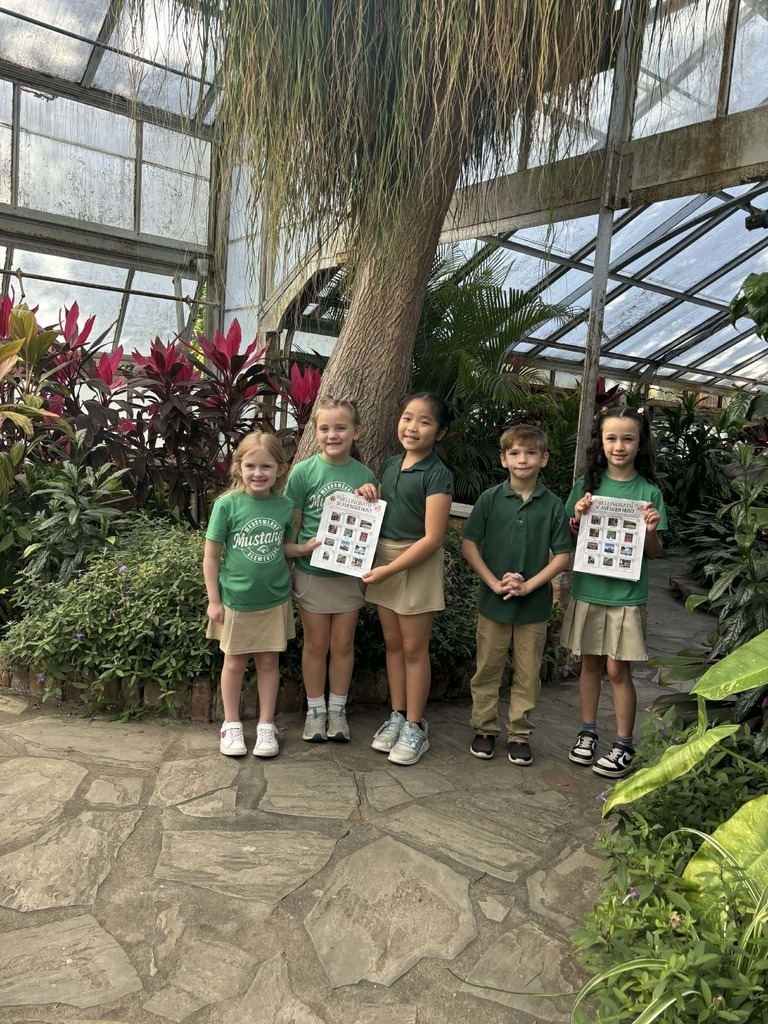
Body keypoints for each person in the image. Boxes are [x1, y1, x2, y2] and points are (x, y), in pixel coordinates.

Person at [562, 405, 666, 779]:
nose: (619, 446)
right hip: (590, 590)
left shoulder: (649, 492)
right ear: (600, 442)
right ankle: (587, 732)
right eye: (611, 438)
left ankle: (624, 743)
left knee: (617, 669)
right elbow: (572, 535)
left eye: (627, 439)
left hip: (626, 597)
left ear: (640, 444)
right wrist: (578, 516)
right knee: (590, 664)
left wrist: (651, 529)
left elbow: (654, 552)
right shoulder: (586, 486)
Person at [462, 425, 572, 765]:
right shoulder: (490, 499)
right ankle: (484, 729)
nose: (522, 459)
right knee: (488, 669)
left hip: (534, 607)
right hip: (492, 603)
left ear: (544, 459)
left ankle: (520, 733)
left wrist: (528, 585)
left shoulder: (552, 505)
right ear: (503, 459)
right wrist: (494, 582)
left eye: (530, 453)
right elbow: (469, 544)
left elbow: (563, 556)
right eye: (514, 453)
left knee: (528, 674)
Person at [204, 432, 319, 758]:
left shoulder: (283, 506)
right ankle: (231, 725)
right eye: (251, 465)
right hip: (236, 602)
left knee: (269, 662)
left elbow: (280, 546)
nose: (258, 473)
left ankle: (266, 726)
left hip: (274, 600)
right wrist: (214, 600)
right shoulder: (226, 505)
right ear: (238, 467)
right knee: (235, 663)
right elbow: (211, 556)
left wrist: (303, 548)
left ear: (281, 468)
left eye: (266, 466)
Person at [363, 394, 454, 766]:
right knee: (394, 644)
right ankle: (397, 715)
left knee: (415, 649)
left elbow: (433, 538)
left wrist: (388, 569)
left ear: (441, 432)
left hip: (414, 563)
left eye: (424, 422)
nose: (412, 427)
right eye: (407, 418)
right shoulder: (389, 464)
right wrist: (365, 495)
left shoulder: (438, 474)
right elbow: (381, 511)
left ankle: (416, 725)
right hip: (384, 558)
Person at [284, 397, 377, 743]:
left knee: (343, 643)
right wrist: (288, 567)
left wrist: (368, 496)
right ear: (316, 431)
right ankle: (315, 710)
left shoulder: (365, 475)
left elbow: (371, 526)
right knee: (316, 643)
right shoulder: (303, 471)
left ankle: (338, 711)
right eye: (325, 428)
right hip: (312, 574)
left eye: (340, 428)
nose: (332, 434)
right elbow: (292, 527)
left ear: (356, 432)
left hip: (349, 575)